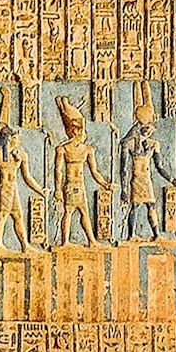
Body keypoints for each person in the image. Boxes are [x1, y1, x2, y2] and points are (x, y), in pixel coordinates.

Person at [115, 92, 176, 241]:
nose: (148, 131)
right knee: (135, 206)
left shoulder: (154, 144)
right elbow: (123, 169)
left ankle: (156, 235)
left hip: (147, 179)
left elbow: (159, 167)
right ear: (139, 127)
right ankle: (131, 235)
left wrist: (171, 179)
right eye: (146, 128)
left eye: (150, 129)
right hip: (136, 179)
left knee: (151, 205)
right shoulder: (128, 144)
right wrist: (123, 189)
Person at [49, 98, 109, 248]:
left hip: (78, 184)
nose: (84, 133)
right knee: (70, 212)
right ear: (75, 131)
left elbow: (94, 171)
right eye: (82, 130)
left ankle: (90, 241)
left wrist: (105, 184)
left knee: (81, 212)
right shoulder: (62, 149)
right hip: (70, 184)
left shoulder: (88, 149)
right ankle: (66, 241)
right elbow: (58, 171)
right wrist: (57, 189)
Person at [0, 122, 42, 252]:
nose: (18, 141)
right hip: (4, 188)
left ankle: (25, 245)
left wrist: (40, 190)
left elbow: (27, 177)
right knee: (2, 216)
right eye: (15, 138)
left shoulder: (20, 155)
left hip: (13, 188)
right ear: (8, 139)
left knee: (18, 216)